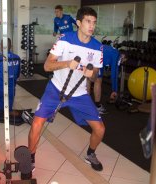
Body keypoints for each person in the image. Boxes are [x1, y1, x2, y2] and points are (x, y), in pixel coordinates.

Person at [28, 7, 105, 172]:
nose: (92, 26)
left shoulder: (97, 47)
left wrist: (92, 74)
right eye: (88, 21)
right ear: (78, 23)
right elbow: (47, 66)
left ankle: (90, 154)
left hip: (79, 94)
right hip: (56, 88)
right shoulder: (65, 39)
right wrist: (67, 63)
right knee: (36, 124)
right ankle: (30, 157)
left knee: (100, 129)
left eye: (94, 22)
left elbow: (95, 75)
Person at [0, 38, 33, 124]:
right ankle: (8, 110)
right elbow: (17, 74)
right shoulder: (17, 58)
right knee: (9, 97)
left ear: (1, 47)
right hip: (11, 86)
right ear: (11, 46)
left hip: (0, 86)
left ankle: (4, 110)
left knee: (1, 97)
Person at [90, 45, 122, 114]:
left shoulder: (112, 50)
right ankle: (97, 107)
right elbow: (114, 74)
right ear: (123, 56)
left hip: (90, 54)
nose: (122, 62)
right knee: (98, 81)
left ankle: (85, 103)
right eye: (123, 60)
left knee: (88, 79)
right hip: (96, 58)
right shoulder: (117, 55)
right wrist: (114, 90)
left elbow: (104, 61)